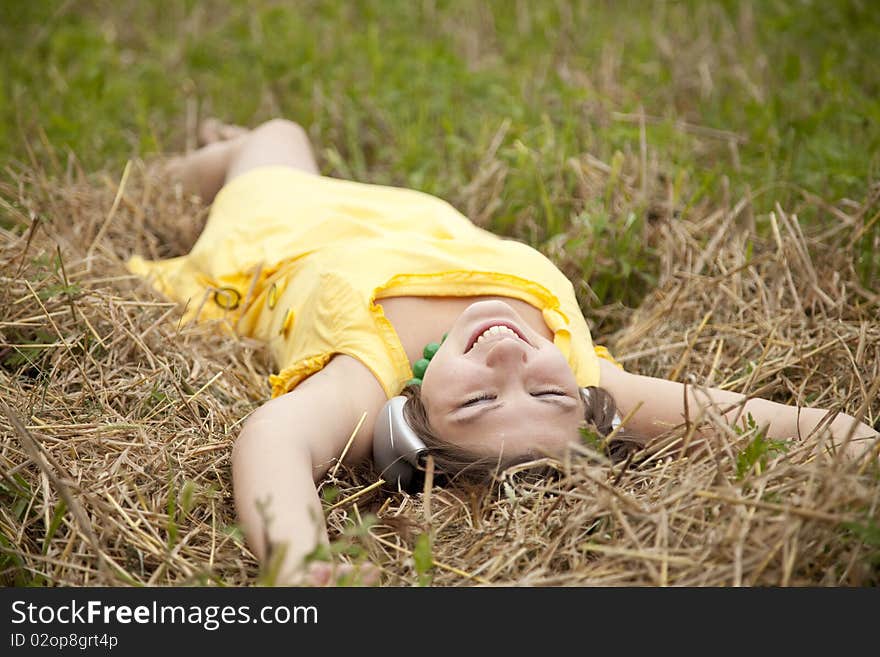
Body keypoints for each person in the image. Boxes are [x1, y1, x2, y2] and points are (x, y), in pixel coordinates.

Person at [127, 117, 878, 586]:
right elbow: (742, 419)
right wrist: (856, 441)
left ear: (412, 413)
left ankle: (161, 179)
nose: (511, 365)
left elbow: (276, 436)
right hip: (407, 219)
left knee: (275, 139)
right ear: (584, 405)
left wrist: (294, 554)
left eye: (478, 400)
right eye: (546, 394)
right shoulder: (587, 376)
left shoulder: (370, 372)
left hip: (286, 224)